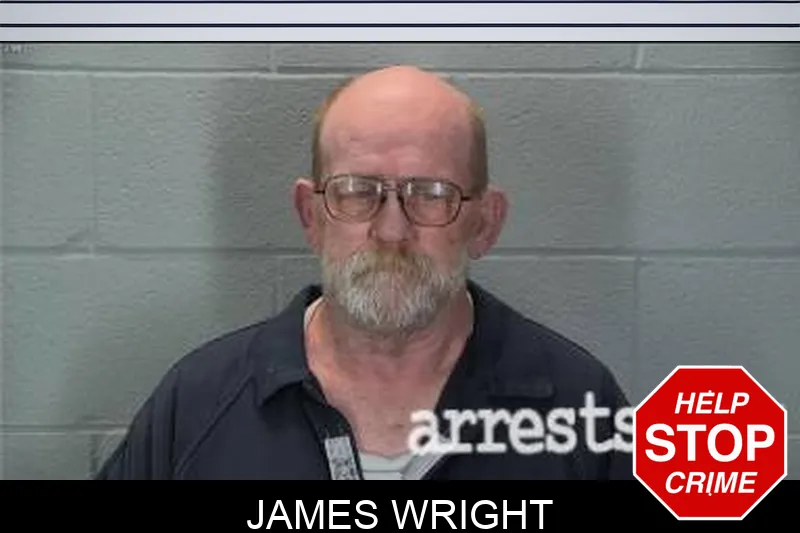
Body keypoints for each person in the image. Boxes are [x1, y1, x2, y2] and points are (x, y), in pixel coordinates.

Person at [96, 65, 633, 480]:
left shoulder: (581, 406)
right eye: (357, 192)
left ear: (485, 223)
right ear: (311, 215)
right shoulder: (198, 404)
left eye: (431, 194)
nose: (392, 230)